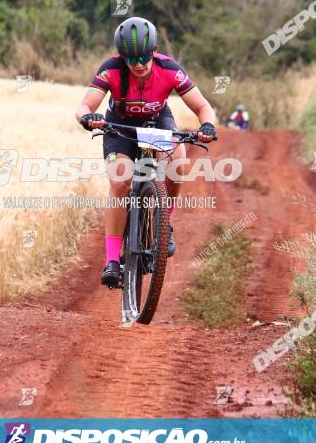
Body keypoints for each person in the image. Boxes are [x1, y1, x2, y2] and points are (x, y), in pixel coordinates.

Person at [74, 16, 217, 288]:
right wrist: (87, 117)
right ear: (121, 56)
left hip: (156, 121)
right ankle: (112, 261)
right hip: (120, 125)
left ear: (153, 52)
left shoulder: (170, 69)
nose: (138, 65)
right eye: (131, 59)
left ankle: (165, 222)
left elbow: (203, 107)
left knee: (179, 162)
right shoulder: (111, 69)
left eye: (143, 58)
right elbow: (84, 104)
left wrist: (207, 124)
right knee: (120, 180)